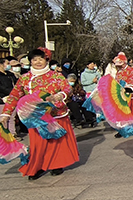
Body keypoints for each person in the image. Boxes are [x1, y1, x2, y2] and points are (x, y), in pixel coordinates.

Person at [0, 48, 79, 180]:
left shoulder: (55, 75)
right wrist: (6, 114)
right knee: (38, 144)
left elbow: (67, 87)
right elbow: (14, 96)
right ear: (30, 61)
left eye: (41, 59)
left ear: (46, 60)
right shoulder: (25, 78)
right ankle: (38, 166)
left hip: (55, 113)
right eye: (34, 59)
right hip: (34, 116)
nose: (38, 62)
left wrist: (61, 95)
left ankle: (56, 164)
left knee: (56, 141)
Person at [109, 52, 133, 138]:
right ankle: (122, 129)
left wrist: (125, 86)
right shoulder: (118, 72)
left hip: (131, 93)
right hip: (121, 95)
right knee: (121, 113)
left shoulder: (132, 70)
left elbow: (131, 82)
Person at [0, 57, 20, 139]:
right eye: (7, 63)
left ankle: (12, 134)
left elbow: (17, 84)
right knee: (3, 117)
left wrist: (15, 93)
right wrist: (8, 93)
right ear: (1, 64)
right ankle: (4, 136)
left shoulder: (10, 75)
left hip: (12, 98)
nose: (9, 65)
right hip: (2, 98)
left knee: (12, 117)